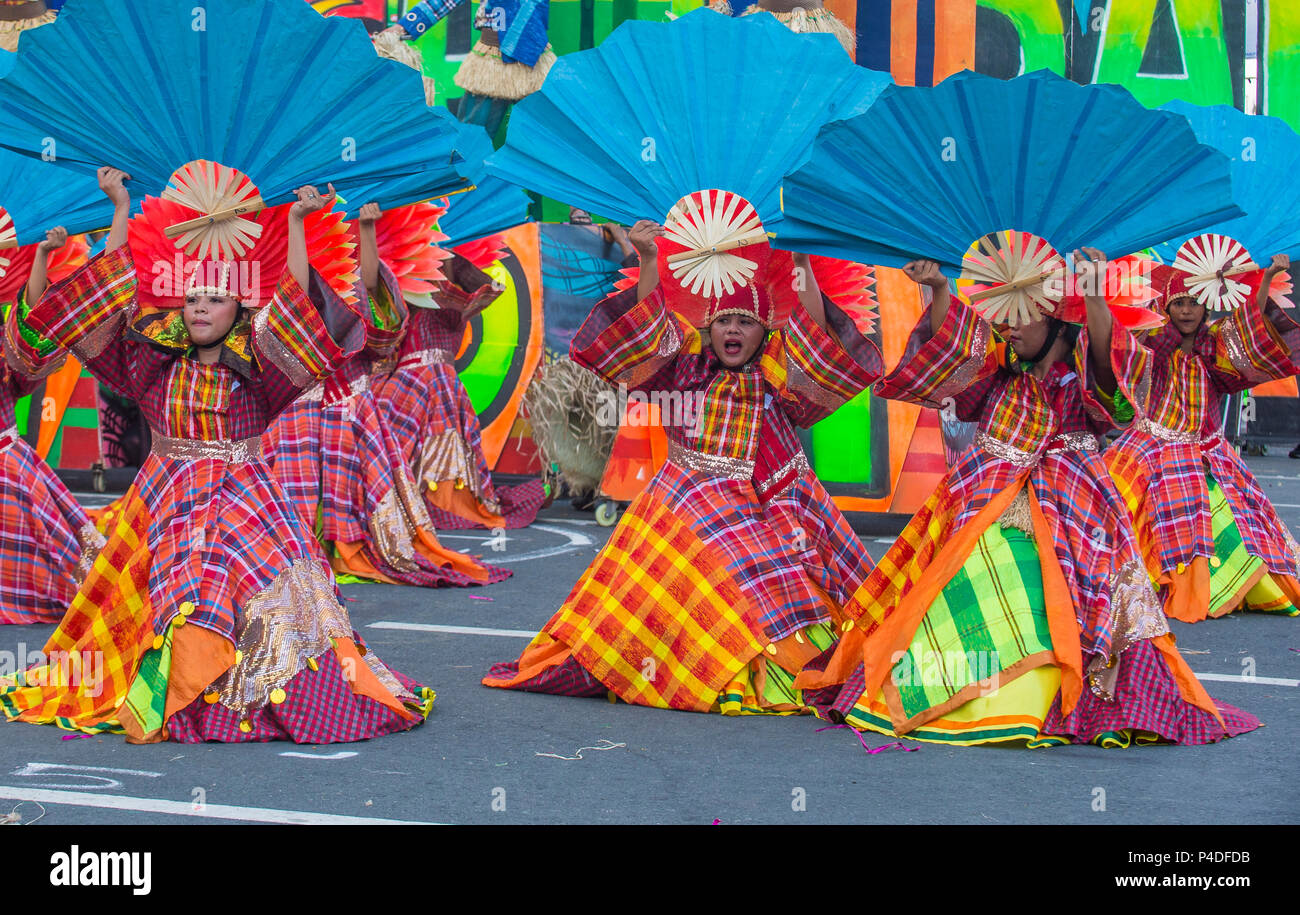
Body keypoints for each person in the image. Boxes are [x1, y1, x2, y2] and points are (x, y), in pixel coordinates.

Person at [0, 168, 433, 743]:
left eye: (218, 297)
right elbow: (93, 307)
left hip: (245, 500)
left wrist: (298, 226)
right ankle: (172, 692)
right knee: (172, 604)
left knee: (240, 599)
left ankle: (231, 693)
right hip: (164, 501)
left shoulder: (259, 369)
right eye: (193, 296)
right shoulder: (151, 363)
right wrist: (121, 207)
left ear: (242, 306)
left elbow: (295, 304)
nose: (202, 307)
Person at [795, 250, 1259, 746]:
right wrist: (938, 291)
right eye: (1002, 316)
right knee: (951, 581)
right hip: (980, 493)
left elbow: (1113, 377)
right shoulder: (999, 367)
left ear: (1059, 321)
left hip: (1071, 498)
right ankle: (944, 689)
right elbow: (951, 357)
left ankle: (1024, 698)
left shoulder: (1081, 373)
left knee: (1069, 597)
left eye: (1021, 315)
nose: (1009, 328)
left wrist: (1095, 297)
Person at [484, 219, 882, 715]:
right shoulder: (685, 370)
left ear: (766, 331)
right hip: (689, 506)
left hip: (772, 507)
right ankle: (694, 670)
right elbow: (642, 338)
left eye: (745, 322)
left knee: (791, 598)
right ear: (706, 327)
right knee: (665, 604)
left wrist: (801, 263)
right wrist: (649, 260)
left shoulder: (777, 374)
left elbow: (819, 343)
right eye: (722, 321)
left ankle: (781, 671)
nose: (732, 330)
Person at [264, 201, 509, 586]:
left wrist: (372, 231)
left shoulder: (406, 283)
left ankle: (363, 533)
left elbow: (379, 310)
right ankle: (301, 546)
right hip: (309, 407)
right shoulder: (278, 289)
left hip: (364, 397)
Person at [1107, 256, 1300, 621]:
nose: (1185, 311)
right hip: (1150, 450)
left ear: (1205, 304)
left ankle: (1231, 585)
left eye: (1193, 302)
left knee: (1240, 533)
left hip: (1208, 453)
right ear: (1165, 307)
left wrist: (1267, 279)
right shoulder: (1156, 345)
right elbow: (1126, 349)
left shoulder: (1212, 346)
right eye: (1177, 303)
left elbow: (1248, 331)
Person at [372, 227, 547, 531]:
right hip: (410, 387)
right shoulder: (403, 300)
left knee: (439, 451)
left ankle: (427, 502)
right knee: (394, 448)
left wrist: (447, 252)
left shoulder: (456, 307)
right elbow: (377, 286)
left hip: (439, 387)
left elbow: (470, 286)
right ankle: (398, 501)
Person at [0, 226, 104, 623]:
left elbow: (31, 339)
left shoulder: (9, 337)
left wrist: (41, 257)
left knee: (66, 583)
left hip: (8, 475)